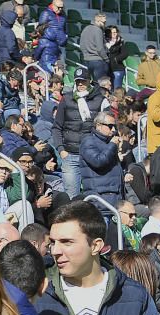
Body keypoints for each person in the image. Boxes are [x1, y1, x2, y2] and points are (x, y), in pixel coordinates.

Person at [51, 68, 104, 198]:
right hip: (70, 155)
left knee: (93, 194)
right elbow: (57, 126)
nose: (80, 84)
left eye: (83, 81)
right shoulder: (66, 99)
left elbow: (106, 127)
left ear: (89, 81)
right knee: (71, 195)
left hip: (91, 155)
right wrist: (61, 149)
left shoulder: (100, 99)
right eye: (78, 81)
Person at [79, 110, 124, 205]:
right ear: (98, 125)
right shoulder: (88, 142)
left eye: (115, 127)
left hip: (115, 195)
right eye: (110, 126)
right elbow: (98, 162)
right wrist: (112, 145)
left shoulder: (109, 142)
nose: (113, 130)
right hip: (100, 197)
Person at [35, 0, 66, 74]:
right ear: (53, 5)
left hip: (60, 44)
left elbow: (64, 28)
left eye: (62, 7)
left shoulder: (63, 15)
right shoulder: (45, 13)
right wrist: (45, 38)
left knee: (60, 69)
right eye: (58, 7)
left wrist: (65, 37)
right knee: (48, 69)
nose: (60, 9)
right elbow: (40, 28)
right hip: (49, 43)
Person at [79, 13, 108, 80]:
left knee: (91, 84)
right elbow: (100, 48)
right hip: (98, 61)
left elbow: (81, 45)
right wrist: (106, 59)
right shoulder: (98, 30)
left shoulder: (85, 28)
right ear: (97, 21)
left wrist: (86, 55)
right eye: (104, 22)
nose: (105, 24)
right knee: (100, 85)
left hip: (86, 60)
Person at [106, 25, 126, 90]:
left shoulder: (120, 42)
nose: (114, 34)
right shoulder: (104, 42)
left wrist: (115, 59)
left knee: (116, 90)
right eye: (112, 32)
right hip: (107, 69)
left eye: (115, 32)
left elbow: (125, 53)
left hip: (118, 69)